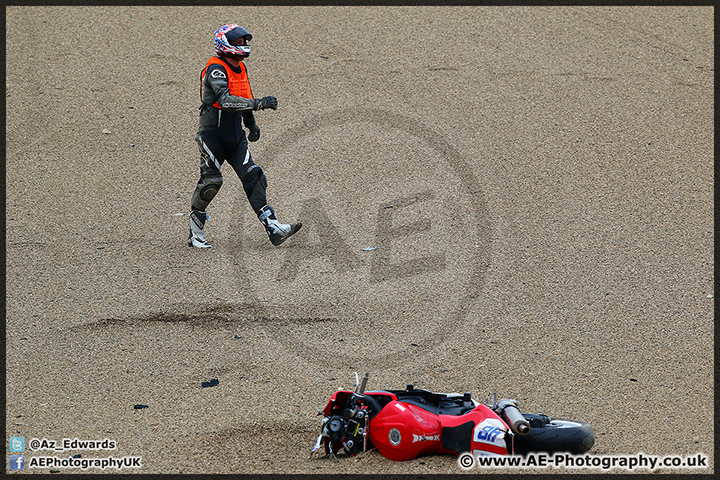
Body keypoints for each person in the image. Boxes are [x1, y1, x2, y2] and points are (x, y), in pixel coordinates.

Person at [188, 24, 301, 248]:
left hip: (235, 137)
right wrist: (260, 104)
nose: (243, 45)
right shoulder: (216, 69)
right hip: (212, 137)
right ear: (225, 43)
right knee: (212, 182)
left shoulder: (240, 68)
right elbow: (227, 100)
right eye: (238, 42)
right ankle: (196, 233)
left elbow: (242, 96)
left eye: (244, 42)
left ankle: (273, 227)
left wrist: (251, 124)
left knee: (254, 176)